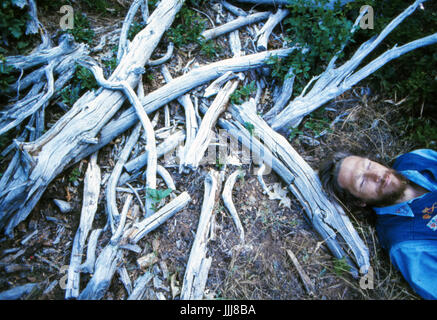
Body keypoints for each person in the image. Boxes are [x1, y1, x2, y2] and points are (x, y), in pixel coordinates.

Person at [318, 149, 437, 300]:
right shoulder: (406, 243)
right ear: (360, 202)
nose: (376, 175)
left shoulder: (416, 158)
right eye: (362, 181)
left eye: (368, 165)